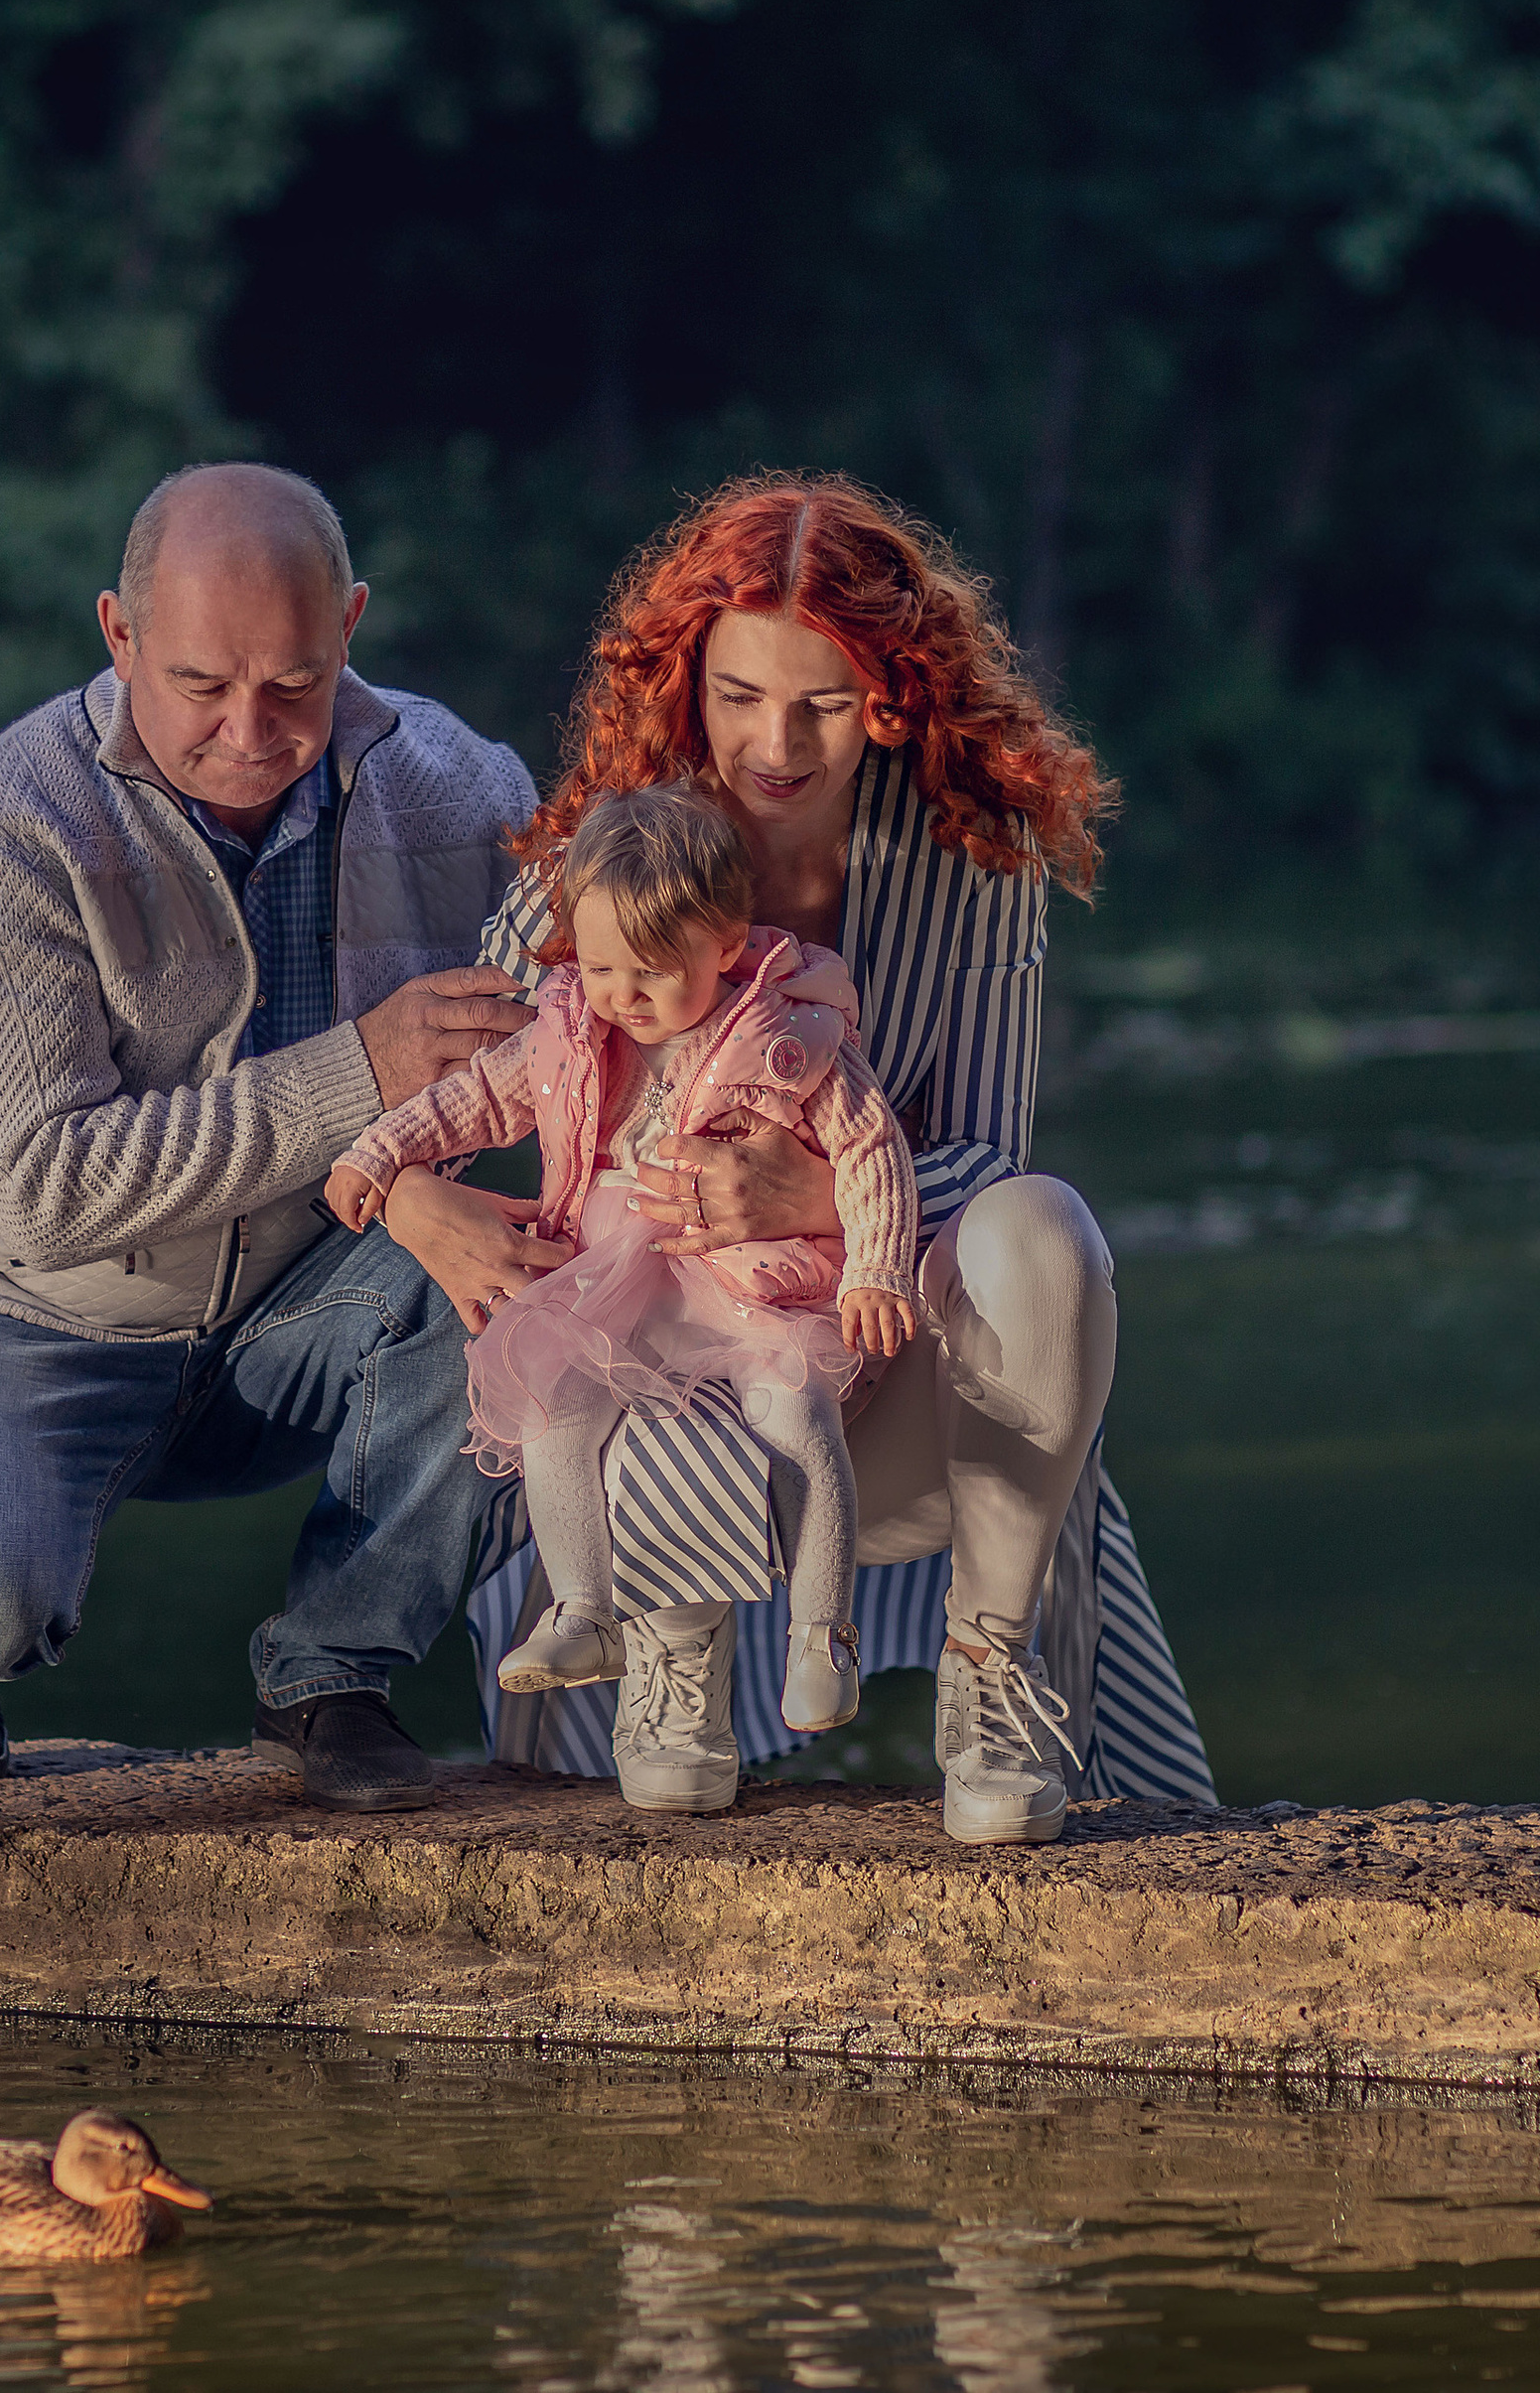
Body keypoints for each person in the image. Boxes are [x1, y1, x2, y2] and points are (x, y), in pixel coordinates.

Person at [377, 472, 1213, 1842]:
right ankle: (660, 1650)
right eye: (739, 695)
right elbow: (472, 1089)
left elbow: (990, 1153)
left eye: (823, 702)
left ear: (888, 692)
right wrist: (410, 1198)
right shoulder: (607, 856)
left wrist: (818, 1192)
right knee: (605, 1336)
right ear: (685, 681)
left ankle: (991, 1675)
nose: (776, 743)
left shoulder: (973, 866)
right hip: (648, 1359)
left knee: (1045, 1226)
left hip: (875, 1356)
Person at [0, 461, 539, 1812]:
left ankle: (333, 1675)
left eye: (294, 685)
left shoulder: (462, 789)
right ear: (119, 634)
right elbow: (46, 1191)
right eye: (203, 686)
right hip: (30, 1306)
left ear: (353, 630)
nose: (252, 732)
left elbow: (614, 983)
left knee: (530, 1284)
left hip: (312, 1305)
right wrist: (368, 1072)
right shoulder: (9, 823)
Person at [323, 782, 921, 1813]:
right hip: (610, 1272)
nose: (621, 995)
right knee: (556, 1400)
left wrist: (876, 1267)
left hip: (740, 1278)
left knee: (796, 1413)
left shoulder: (786, 1034)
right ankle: (586, 1606)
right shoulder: (566, 1029)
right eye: (599, 968)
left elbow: (873, 1148)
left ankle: (820, 1634)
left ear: (727, 944)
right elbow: (471, 1098)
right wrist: (379, 1152)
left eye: (650, 972)